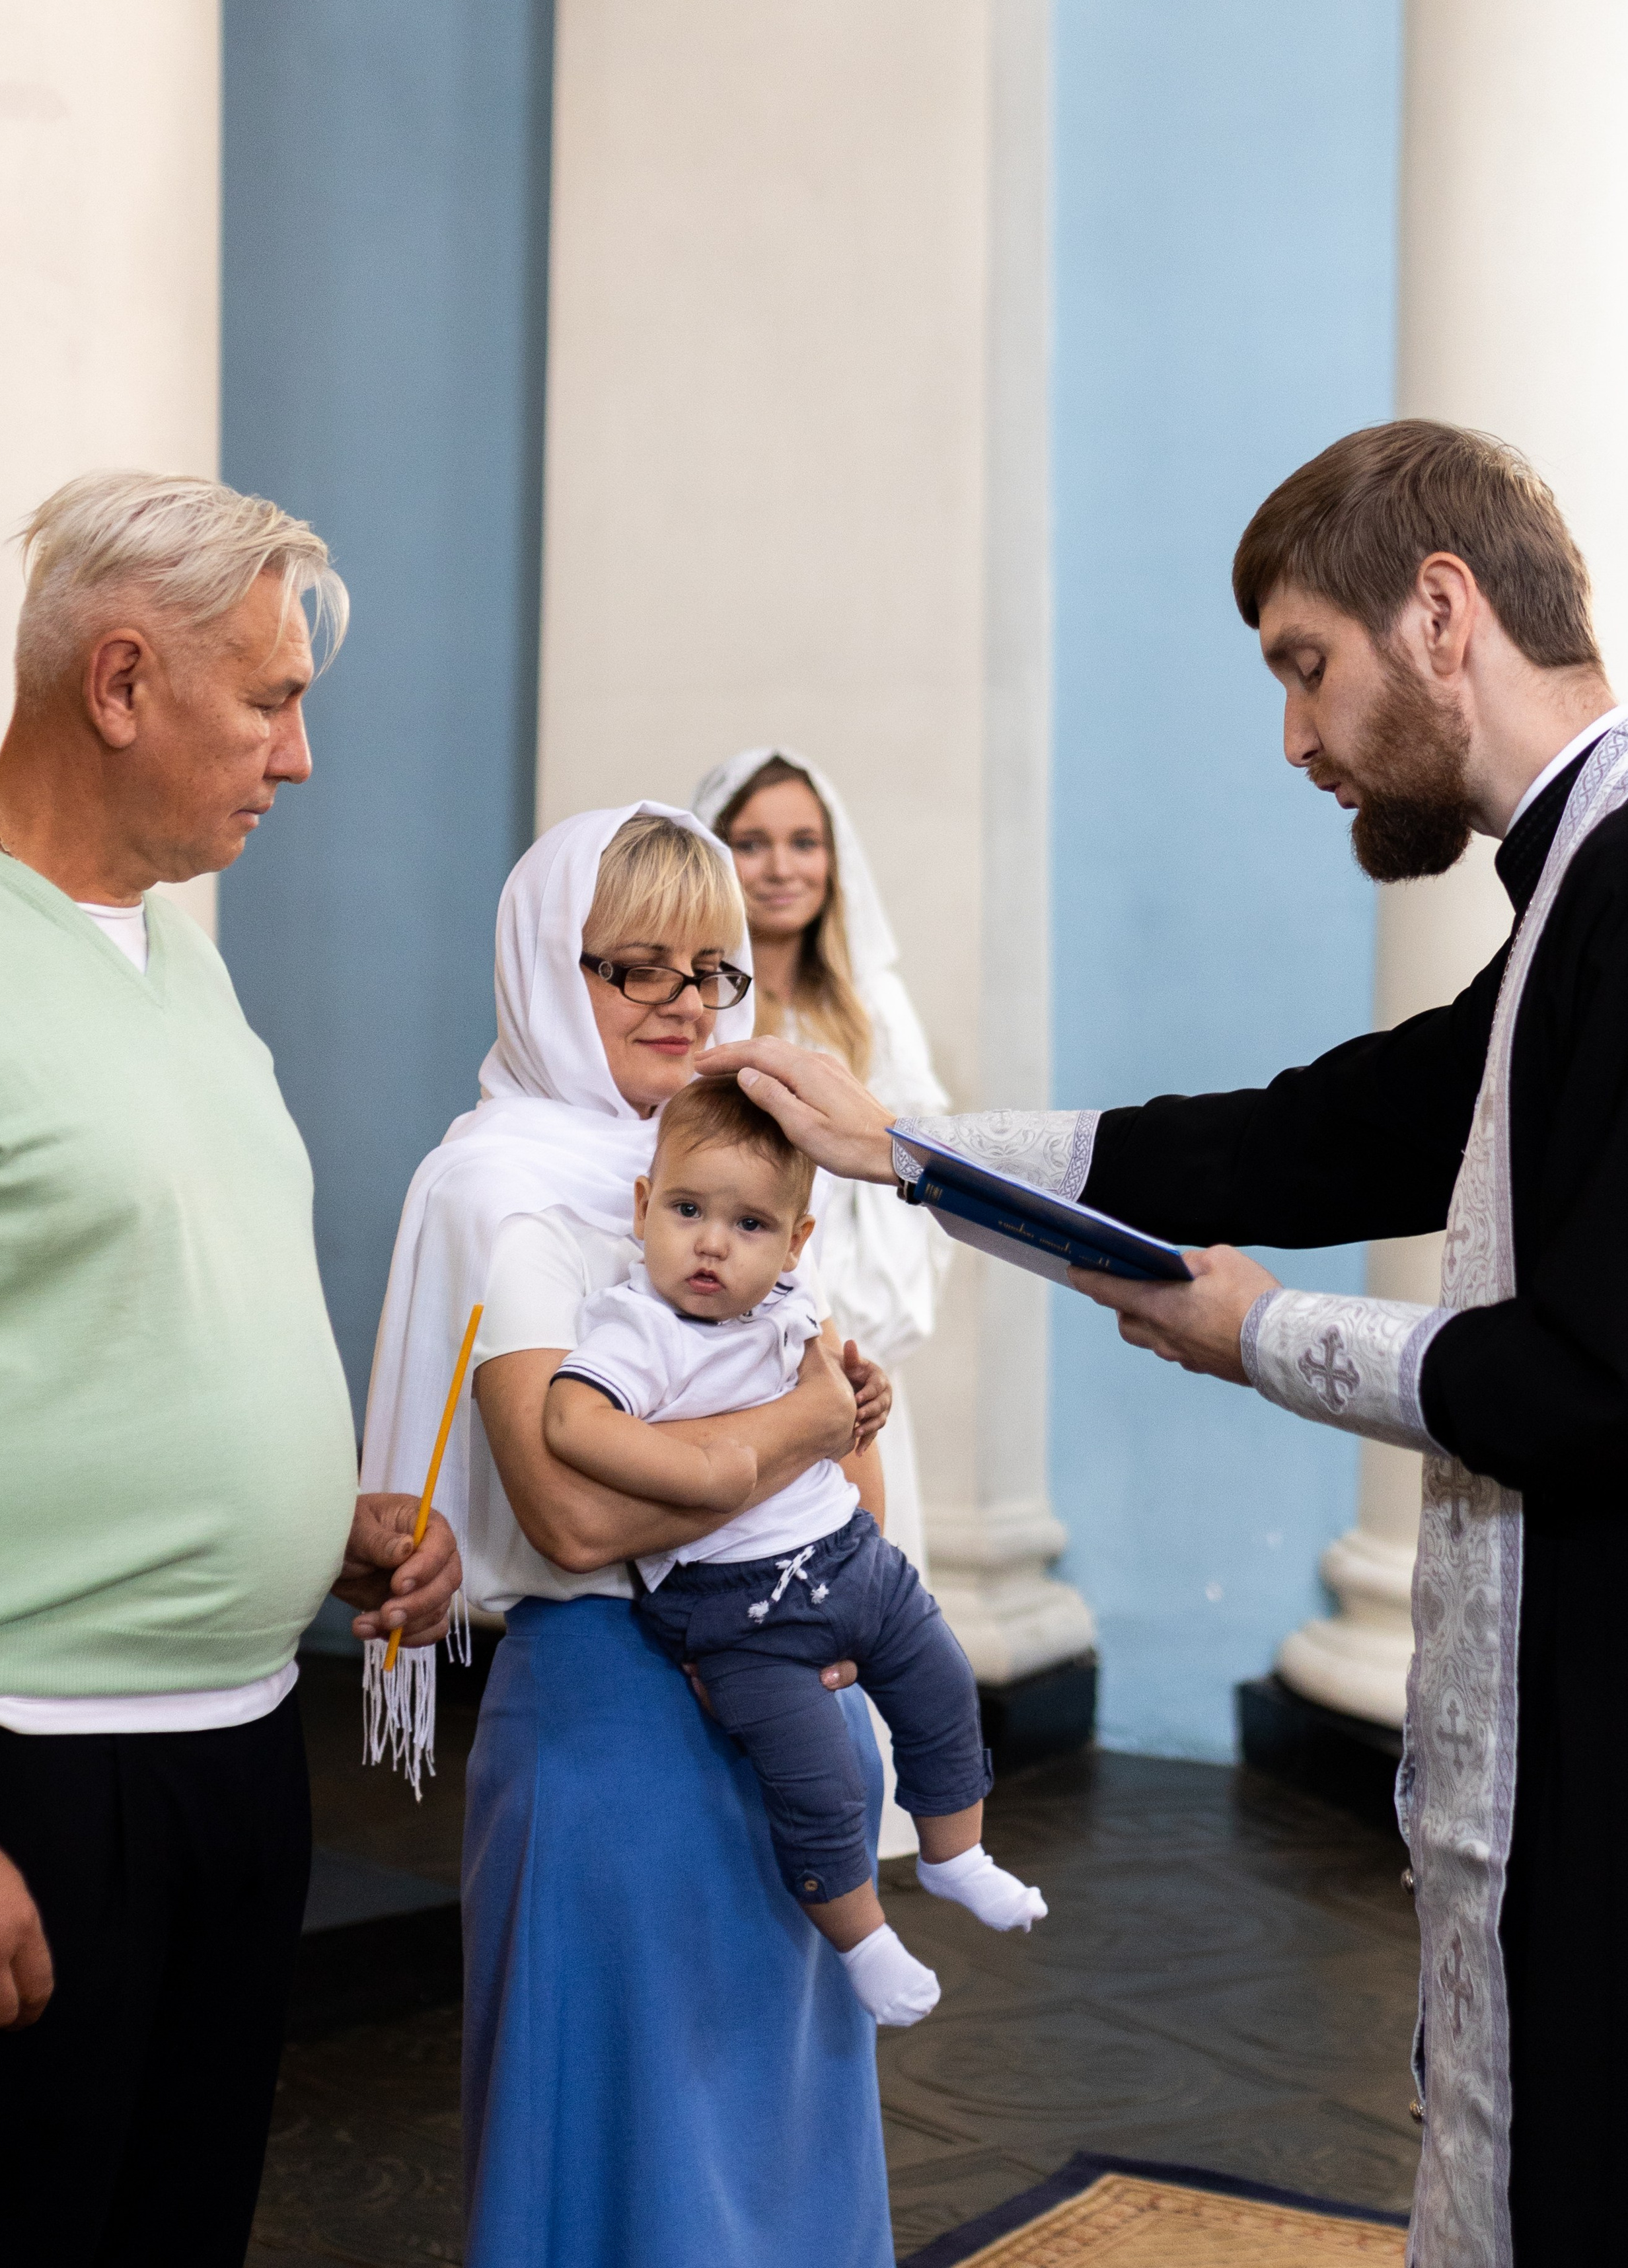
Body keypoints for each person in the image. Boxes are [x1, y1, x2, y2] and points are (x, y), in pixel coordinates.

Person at [702, 421, 1628, 2268]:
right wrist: (910, 1151)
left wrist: (1261, 1336)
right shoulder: (1584, 880)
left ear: (1440, 613)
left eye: (1306, 665)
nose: (1294, 738)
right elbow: (1311, 1137)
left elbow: (1611, 1379)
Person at [0, 471, 461, 2268]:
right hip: (28, 1774)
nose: (299, 760)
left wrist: (313, 1519)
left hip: (240, 1753)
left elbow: (128, 1311)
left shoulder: (179, 961)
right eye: (270, 702)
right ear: (120, 683)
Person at [359, 803, 898, 2268]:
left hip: (786, 1709)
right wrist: (792, 1431)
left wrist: (811, 1446)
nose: (683, 1004)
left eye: (712, 969)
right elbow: (576, 1513)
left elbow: (857, 1490)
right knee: (630, 2159)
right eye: (635, 967)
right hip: (617, 1726)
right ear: (551, 966)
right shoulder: (501, 1187)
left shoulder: (727, 1160)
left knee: (779, 2143)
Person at [547, 1075, 1045, 2030]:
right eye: (687, 1211)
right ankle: (863, 1942)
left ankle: (956, 1855)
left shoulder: (790, 1306)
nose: (712, 1244)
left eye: (749, 1225)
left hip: (851, 1557)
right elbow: (572, 1419)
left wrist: (866, 1399)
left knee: (945, 1685)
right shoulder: (638, 1329)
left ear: (794, 1241)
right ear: (643, 1208)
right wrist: (702, 1472)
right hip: (738, 1609)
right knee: (819, 1781)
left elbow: (837, 1411)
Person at [694, 748, 950, 1851]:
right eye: (752, 842)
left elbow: (924, 1168)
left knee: (856, 1595)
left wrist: (848, 1321)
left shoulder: (869, 1005)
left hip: (849, 1356)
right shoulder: (699, 1000)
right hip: (725, 1354)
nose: (781, 866)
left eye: (804, 842)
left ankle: (847, 1846)